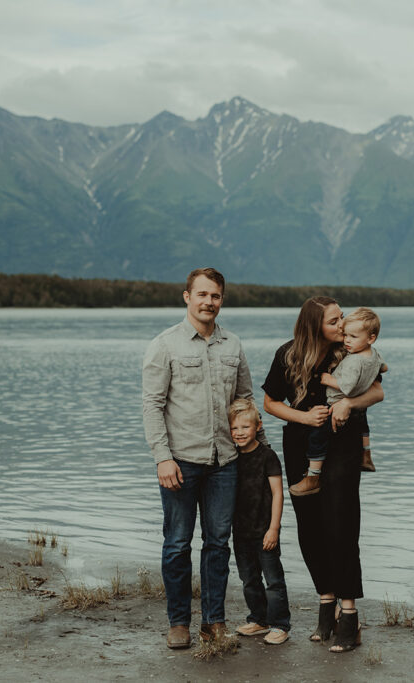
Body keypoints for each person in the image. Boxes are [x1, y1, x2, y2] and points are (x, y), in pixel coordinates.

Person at [142, 267, 257, 650]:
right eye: (203, 294)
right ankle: (178, 623)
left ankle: (213, 622)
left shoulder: (233, 345)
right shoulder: (165, 345)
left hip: (225, 461)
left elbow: (245, 401)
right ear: (187, 296)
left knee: (217, 543)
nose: (209, 302)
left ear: (222, 300)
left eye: (216, 296)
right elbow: (152, 406)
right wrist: (162, 458)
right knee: (176, 543)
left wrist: (257, 449)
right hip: (181, 462)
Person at [262, 296, 384, 653]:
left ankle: (349, 615)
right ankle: (326, 602)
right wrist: (304, 417)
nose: (342, 325)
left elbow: (377, 391)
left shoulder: (353, 350)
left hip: (343, 447)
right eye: (334, 321)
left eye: (343, 318)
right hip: (300, 447)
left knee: (342, 524)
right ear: (314, 325)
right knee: (311, 528)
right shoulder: (288, 353)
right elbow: (270, 403)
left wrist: (347, 402)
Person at [289, 307, 384, 497]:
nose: (346, 339)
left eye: (353, 336)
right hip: (359, 408)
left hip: (334, 404)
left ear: (370, 338)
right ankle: (366, 456)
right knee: (364, 425)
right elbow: (383, 366)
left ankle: (313, 476)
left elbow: (347, 387)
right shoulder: (372, 354)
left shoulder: (354, 360)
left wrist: (327, 379)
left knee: (317, 438)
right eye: (346, 335)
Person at [228, 398, 291, 645]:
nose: (240, 433)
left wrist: (273, 528)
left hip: (265, 529)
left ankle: (280, 625)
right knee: (249, 579)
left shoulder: (268, 456)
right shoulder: (232, 458)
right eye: (235, 428)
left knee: (273, 580)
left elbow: (278, 493)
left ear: (258, 426)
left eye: (245, 427)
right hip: (241, 531)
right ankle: (259, 619)